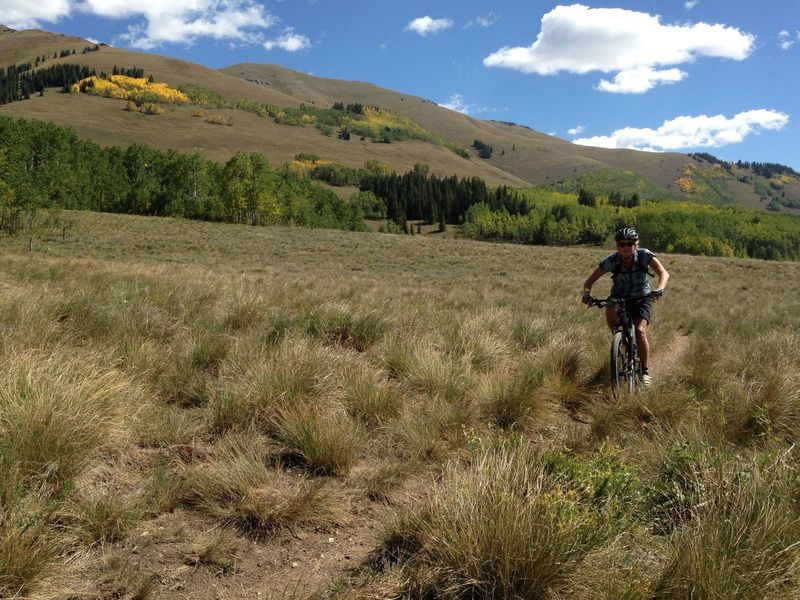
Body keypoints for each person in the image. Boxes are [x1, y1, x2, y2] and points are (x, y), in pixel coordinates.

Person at [581, 227, 669, 386]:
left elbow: (664, 273)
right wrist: (587, 294)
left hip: (642, 297)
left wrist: (659, 289)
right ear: (617, 246)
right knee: (610, 306)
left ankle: (644, 371)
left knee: (640, 331)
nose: (626, 247)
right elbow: (589, 282)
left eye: (630, 243)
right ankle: (618, 338)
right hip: (619, 297)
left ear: (636, 244)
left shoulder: (644, 256)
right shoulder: (612, 260)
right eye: (622, 244)